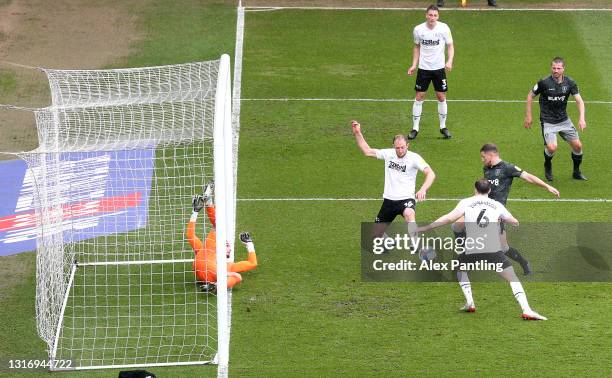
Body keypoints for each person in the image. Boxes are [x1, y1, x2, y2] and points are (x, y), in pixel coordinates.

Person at [418, 179, 547, 320]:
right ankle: (526, 309)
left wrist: (425, 228)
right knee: (512, 278)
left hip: (473, 247)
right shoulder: (497, 205)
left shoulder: (466, 202)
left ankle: (470, 302)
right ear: (490, 190)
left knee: (459, 268)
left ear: (475, 189)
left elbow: (448, 218)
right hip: (492, 249)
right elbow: (514, 221)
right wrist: (503, 219)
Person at [453, 143, 559, 275]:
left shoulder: (507, 168)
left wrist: (546, 186)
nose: (482, 160)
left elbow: (528, 177)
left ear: (491, 155)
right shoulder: (486, 168)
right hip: (480, 207)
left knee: (503, 248)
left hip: (496, 213)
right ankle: (464, 256)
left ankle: (524, 262)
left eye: (483, 157)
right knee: (456, 226)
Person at [351, 120, 436, 239]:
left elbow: (431, 174)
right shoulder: (388, 154)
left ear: (407, 146)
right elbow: (367, 151)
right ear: (393, 147)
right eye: (397, 148)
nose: (400, 151)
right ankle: (390, 242)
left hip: (406, 198)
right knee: (376, 235)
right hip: (389, 200)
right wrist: (357, 133)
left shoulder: (414, 158)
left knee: (409, 213)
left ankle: (415, 243)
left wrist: (423, 189)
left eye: (402, 148)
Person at [186, 182, 258, 291]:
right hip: (207, 273)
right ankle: (217, 286)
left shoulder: (205, 249)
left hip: (200, 268)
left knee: (219, 225)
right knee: (237, 276)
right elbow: (253, 263)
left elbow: (190, 236)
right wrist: (249, 243)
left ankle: (208, 201)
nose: (227, 249)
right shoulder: (229, 266)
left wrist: (195, 212)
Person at [524, 57, 587, 181]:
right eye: (554, 68)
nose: (556, 71)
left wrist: (582, 118)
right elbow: (530, 96)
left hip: (564, 120)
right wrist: (529, 116)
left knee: (578, 146)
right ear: (551, 68)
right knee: (552, 147)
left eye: (558, 68)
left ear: (563, 69)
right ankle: (547, 164)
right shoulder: (544, 82)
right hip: (548, 121)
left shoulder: (570, 83)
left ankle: (576, 172)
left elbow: (579, 101)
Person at [407, 4, 454, 140]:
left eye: (435, 15)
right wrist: (414, 65)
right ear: (426, 15)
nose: (432, 17)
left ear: (438, 16)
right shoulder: (418, 30)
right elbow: (416, 47)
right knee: (419, 97)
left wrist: (450, 61)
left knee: (441, 97)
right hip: (424, 69)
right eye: (430, 15)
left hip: (439, 69)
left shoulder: (444, 28)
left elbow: (450, 45)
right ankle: (415, 128)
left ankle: (443, 127)